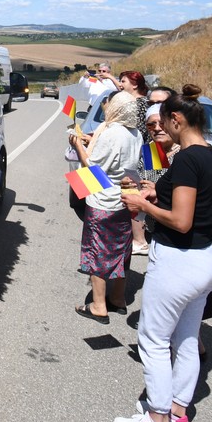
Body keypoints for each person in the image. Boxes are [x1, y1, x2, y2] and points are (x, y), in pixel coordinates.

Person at [114, 85, 212, 422]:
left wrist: (143, 205)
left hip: (178, 260)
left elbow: (180, 220)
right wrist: (156, 193)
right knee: (188, 338)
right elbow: (206, 208)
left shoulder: (187, 159)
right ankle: (179, 414)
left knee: (153, 339)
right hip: (205, 259)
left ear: (176, 119)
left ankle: (157, 421)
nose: (160, 129)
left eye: (163, 122)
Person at [70, 91, 141, 323]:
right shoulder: (135, 133)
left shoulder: (111, 133)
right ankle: (118, 298)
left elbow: (94, 168)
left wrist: (78, 145)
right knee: (121, 249)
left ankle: (98, 305)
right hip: (124, 199)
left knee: (97, 249)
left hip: (103, 200)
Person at [118, 70, 152, 255]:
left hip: (139, 156)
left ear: (135, 84)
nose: (120, 85)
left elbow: (135, 133)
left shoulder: (137, 104)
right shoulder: (145, 103)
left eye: (123, 81)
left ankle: (139, 241)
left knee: (134, 194)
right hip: (147, 154)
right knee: (139, 193)